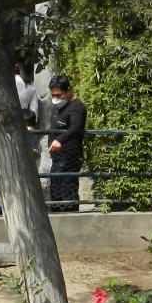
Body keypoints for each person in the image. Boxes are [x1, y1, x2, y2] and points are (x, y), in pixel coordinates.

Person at [46, 75, 86, 212]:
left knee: (66, 188)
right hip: (57, 157)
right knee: (55, 187)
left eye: (59, 95)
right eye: (53, 95)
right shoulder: (58, 107)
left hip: (69, 156)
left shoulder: (76, 107)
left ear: (68, 91)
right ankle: (57, 214)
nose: (56, 98)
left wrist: (59, 140)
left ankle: (70, 216)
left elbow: (76, 127)